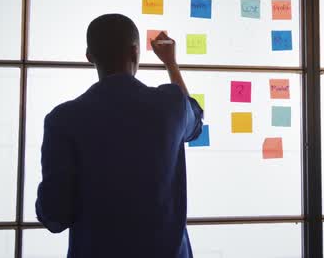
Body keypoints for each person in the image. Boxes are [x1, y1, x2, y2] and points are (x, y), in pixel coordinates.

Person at [36, 14, 203, 258]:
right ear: (136, 52)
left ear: (90, 57)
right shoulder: (170, 105)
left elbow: (55, 215)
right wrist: (170, 63)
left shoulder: (63, 119)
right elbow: (195, 123)